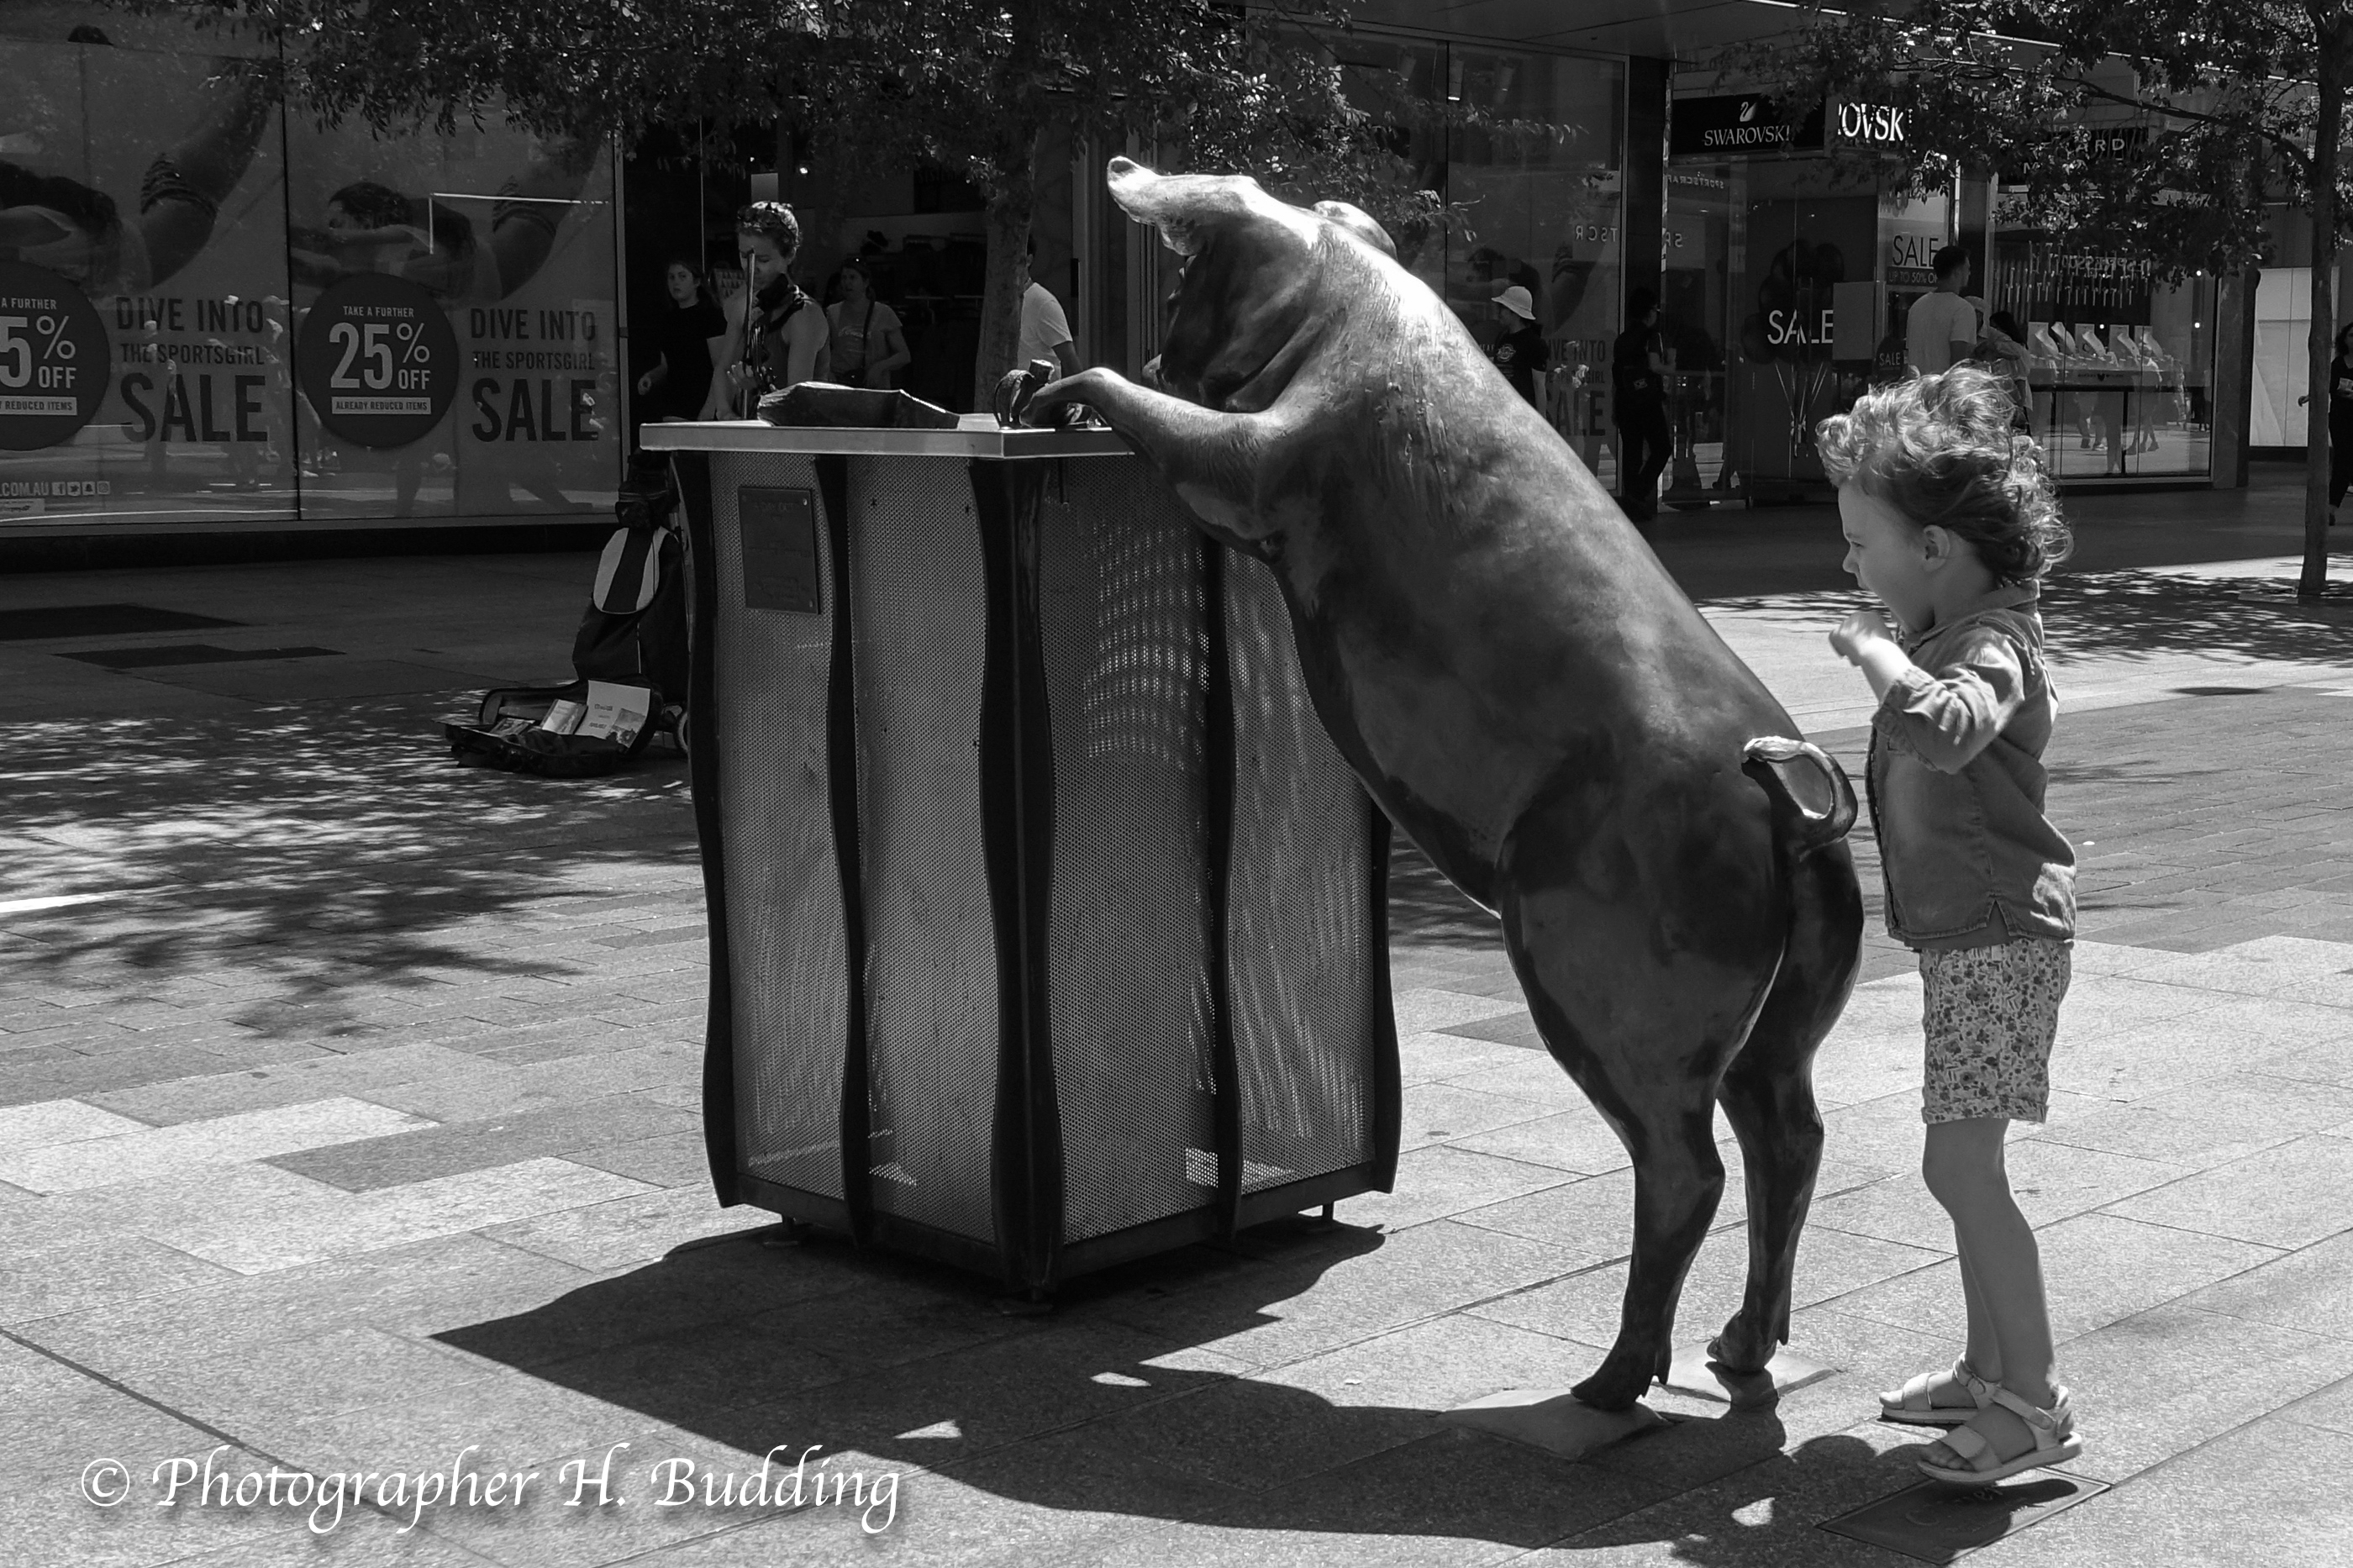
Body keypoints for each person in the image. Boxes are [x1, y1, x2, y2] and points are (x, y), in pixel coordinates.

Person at [1818, 366, 2082, 1489]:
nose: (1850, 565)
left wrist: (1876, 656)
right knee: (1958, 1166)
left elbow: (1948, 734)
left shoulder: (1986, 647)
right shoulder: (1965, 631)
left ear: (1933, 549)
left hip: (2001, 937)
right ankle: (1987, 1373)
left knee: (1962, 1170)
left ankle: (2034, 1403)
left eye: (1861, 542)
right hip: (1974, 937)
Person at [706, 201, 829, 418]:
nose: (752, 268)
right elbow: (724, 368)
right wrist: (725, 413)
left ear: (789, 256)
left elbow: (798, 403)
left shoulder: (803, 315)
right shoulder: (743, 306)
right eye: (745, 256)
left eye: (763, 259)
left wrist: (760, 387)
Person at [634, 258, 726, 426]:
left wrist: (711, 406)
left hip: (701, 398)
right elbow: (666, 365)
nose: (676, 283)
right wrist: (651, 377)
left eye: (682, 277)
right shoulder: (668, 319)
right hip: (674, 400)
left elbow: (720, 365)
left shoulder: (710, 316)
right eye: (672, 277)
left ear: (697, 281)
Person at [1612, 288, 1672, 520]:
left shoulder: (1622, 340)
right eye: (1655, 310)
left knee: (1632, 452)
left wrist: (1615, 407)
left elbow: (1617, 377)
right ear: (1648, 313)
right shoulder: (1651, 336)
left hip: (1625, 402)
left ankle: (1631, 501)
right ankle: (1637, 495)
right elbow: (1656, 366)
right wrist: (1672, 368)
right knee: (1661, 448)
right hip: (1647, 401)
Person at [827, 258, 913, 389]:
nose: (847, 283)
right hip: (841, 383)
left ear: (865, 282)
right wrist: (827, 371)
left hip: (874, 386)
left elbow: (904, 355)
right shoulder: (832, 312)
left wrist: (879, 367)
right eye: (844, 278)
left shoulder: (883, 312)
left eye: (852, 278)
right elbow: (822, 349)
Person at [1906, 246, 1980, 376]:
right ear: (1957, 272)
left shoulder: (1917, 307)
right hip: (1943, 390)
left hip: (1916, 390)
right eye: (1967, 269)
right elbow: (1958, 363)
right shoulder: (1963, 309)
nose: (1969, 273)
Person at [1015, 236, 1079, 377]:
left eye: (1014, 258)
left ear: (1028, 260)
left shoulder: (1042, 303)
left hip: (1039, 396)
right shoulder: (999, 303)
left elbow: (1070, 360)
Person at [1488, 285, 1549, 405]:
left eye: (1503, 308)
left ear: (1514, 312)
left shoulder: (1534, 343)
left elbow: (1539, 385)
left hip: (1523, 415)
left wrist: (1540, 421)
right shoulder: (1502, 338)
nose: (1499, 313)